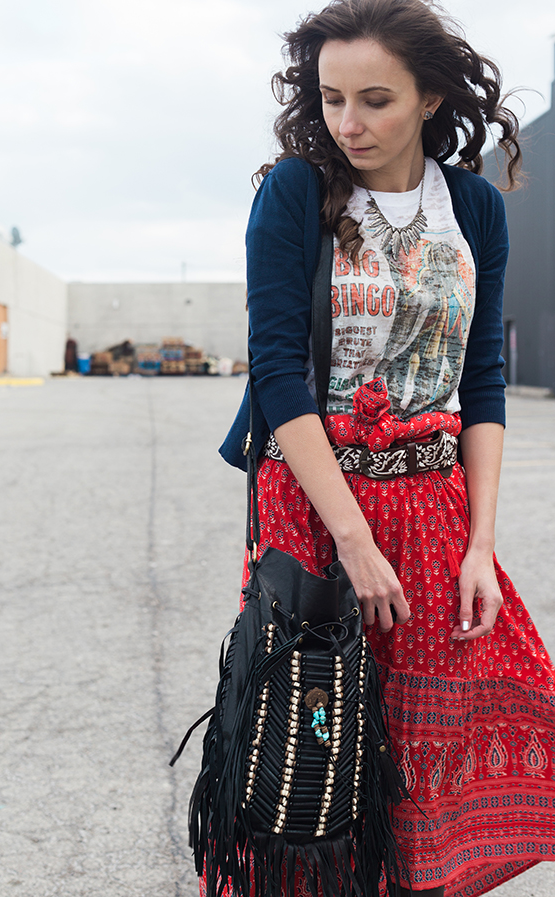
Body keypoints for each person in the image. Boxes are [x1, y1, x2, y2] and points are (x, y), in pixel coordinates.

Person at [218, 1, 555, 895]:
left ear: (432, 96)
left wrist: (482, 542)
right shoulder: (295, 191)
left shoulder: (473, 206)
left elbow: (480, 381)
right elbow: (278, 374)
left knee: (445, 732)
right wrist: (353, 541)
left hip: (437, 504)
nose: (348, 124)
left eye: (375, 99)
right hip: (316, 505)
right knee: (314, 746)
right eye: (331, 99)